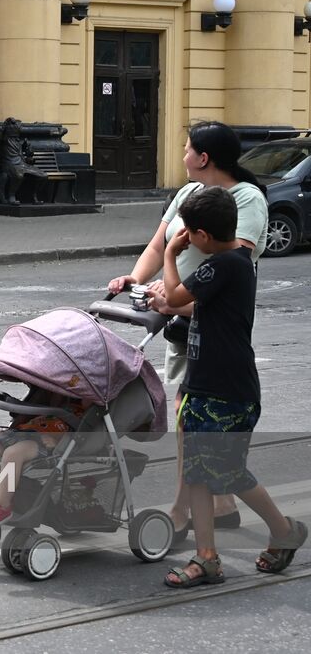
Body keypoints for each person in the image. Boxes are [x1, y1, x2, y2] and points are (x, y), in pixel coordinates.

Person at [107, 121, 268, 532]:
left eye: (186, 148)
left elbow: (229, 264)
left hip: (210, 319)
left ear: (204, 157)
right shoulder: (188, 192)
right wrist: (135, 280)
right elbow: (159, 244)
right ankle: (223, 506)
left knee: (191, 419)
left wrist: (175, 295)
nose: (182, 155)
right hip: (181, 318)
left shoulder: (247, 199)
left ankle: (184, 513)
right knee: (192, 418)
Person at [156, 187, 306, 587]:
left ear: (202, 235)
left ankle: (284, 529)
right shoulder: (236, 263)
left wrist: (170, 255)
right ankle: (206, 557)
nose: (187, 240)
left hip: (226, 390)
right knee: (198, 473)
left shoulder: (222, 265)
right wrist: (167, 303)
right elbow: (194, 305)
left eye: (189, 234)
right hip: (205, 384)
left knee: (227, 471)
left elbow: (175, 294)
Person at [0, 392, 92, 528]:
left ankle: (2, 505)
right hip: (24, 428)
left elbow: (86, 408)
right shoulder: (55, 391)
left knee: (12, 454)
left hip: (50, 439)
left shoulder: (86, 405)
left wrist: (56, 438)